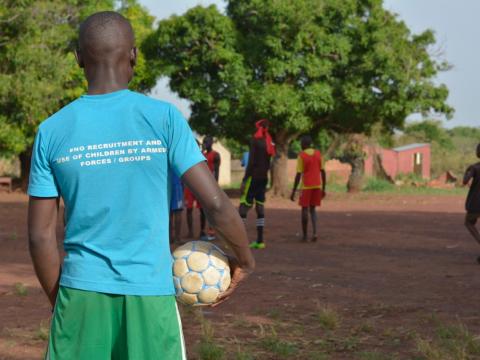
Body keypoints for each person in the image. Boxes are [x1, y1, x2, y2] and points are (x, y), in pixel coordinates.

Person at [27, 11, 254, 360]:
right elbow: (218, 206)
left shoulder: (52, 130)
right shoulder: (164, 118)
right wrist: (244, 259)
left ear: (78, 59)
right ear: (133, 55)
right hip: (150, 294)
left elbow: (40, 235)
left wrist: (63, 302)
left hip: (80, 292)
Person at [239, 119, 275, 249]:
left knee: (243, 207)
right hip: (263, 178)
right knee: (260, 207)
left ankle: (240, 242)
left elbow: (252, 162)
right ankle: (260, 241)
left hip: (253, 178)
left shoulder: (255, 141)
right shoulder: (269, 142)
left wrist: (244, 179)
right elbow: (269, 163)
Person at [290, 135, 326, 242]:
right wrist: (324, 188)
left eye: (301, 143)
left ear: (304, 144)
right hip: (317, 185)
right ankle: (315, 233)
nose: (300, 145)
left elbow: (298, 174)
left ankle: (305, 236)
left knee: (304, 209)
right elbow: (323, 172)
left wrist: (294, 190)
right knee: (313, 209)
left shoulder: (302, 156)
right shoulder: (319, 154)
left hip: (306, 186)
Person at [463, 143, 480, 263]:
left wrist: (467, 174)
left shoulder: (474, 167)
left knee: (469, 223)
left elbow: (465, 181)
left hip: (476, 203)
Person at [201, 136, 221, 240]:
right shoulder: (201, 154)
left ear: (211, 143)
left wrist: (215, 186)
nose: (205, 143)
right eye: (204, 142)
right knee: (203, 209)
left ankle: (212, 231)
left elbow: (217, 172)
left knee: (212, 209)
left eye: (207, 142)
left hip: (212, 185)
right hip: (203, 185)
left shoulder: (216, 155)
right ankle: (203, 231)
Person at [170, 171, 184, 244]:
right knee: (177, 211)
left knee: (168, 212)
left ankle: (169, 237)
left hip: (165, 185)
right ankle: (177, 238)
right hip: (176, 185)